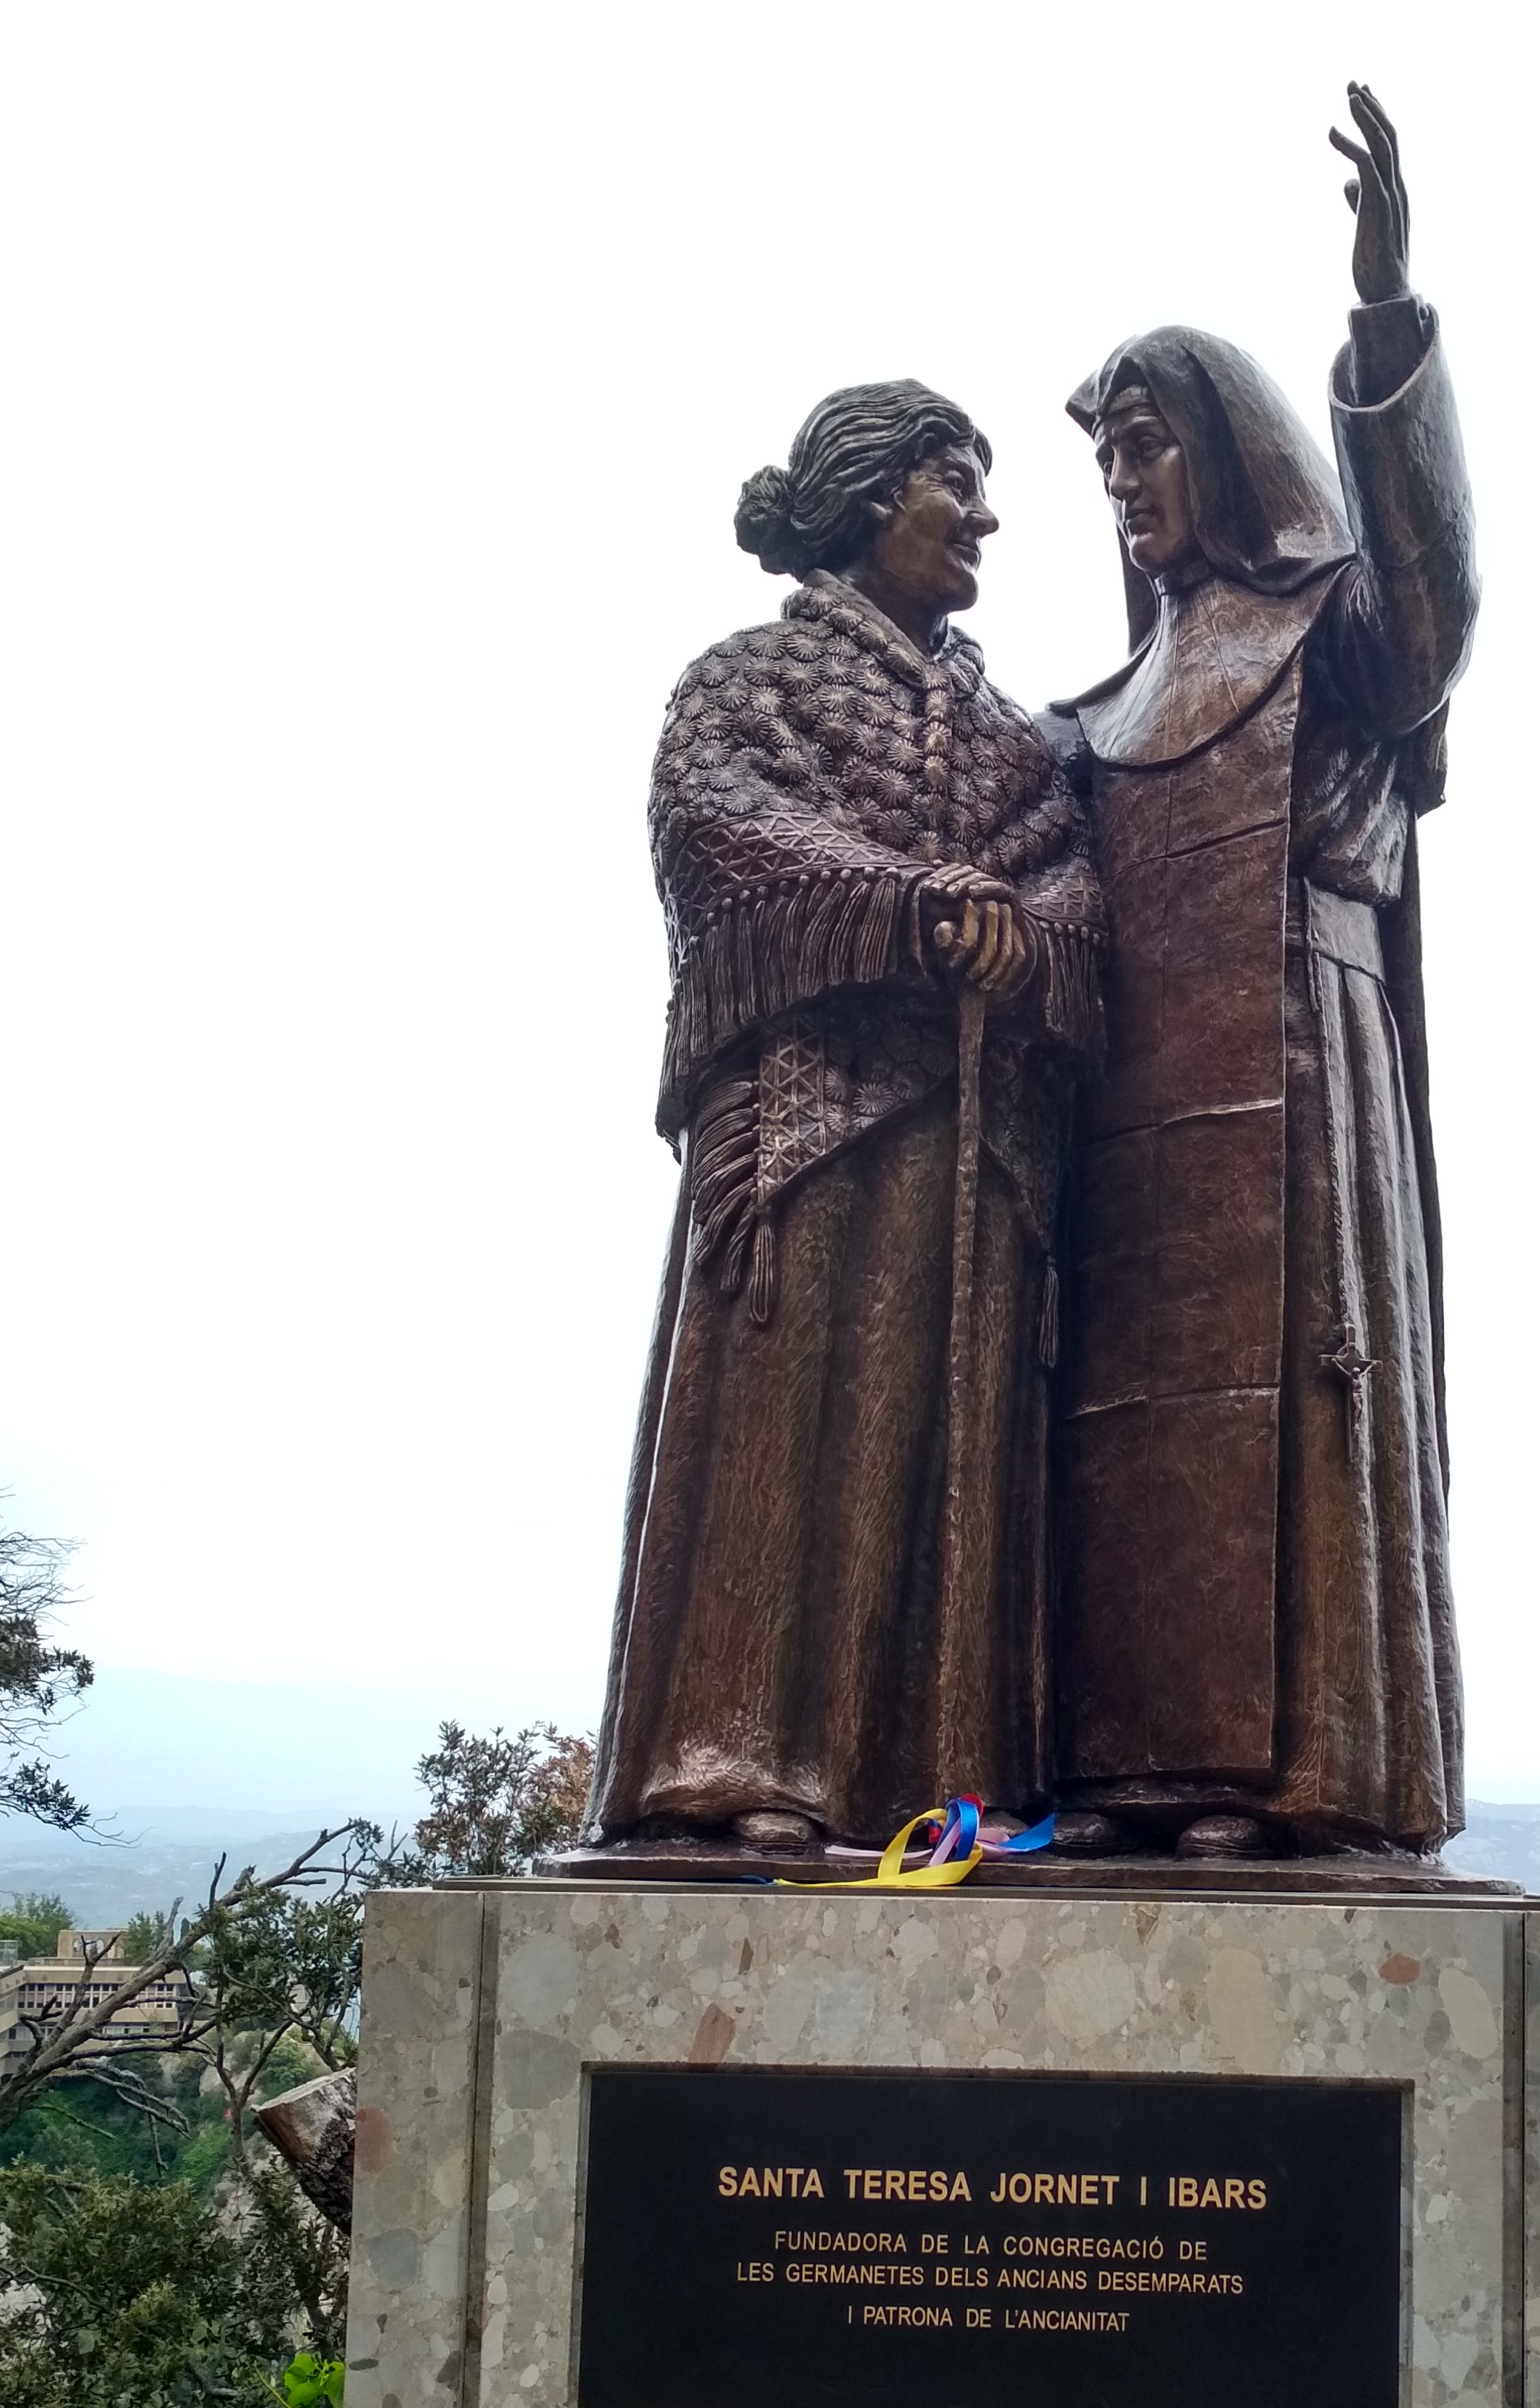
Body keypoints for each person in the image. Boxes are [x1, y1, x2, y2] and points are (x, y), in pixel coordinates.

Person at [585, 383, 1103, 1857]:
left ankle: (948, 1778)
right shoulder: (749, 682)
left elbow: (1071, 879)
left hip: (980, 1144)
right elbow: (719, 832)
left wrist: (1025, 936)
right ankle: (737, 1758)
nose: (986, 516)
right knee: (784, 1427)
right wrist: (906, 905)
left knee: (958, 1447)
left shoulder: (1013, 737)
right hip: (808, 1128)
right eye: (956, 481)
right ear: (875, 495)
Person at [1053, 86, 1477, 1857]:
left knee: (1304, 1405)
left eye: (1147, 447)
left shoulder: (1335, 631)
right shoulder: (1097, 709)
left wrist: (1384, 324)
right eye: (1106, 463)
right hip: (1134, 1116)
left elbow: (1436, 599)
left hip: (1303, 1061)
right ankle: (1131, 1770)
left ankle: (1301, 1777)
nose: (1124, 485)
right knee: (1124, 1434)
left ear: (1223, 453)